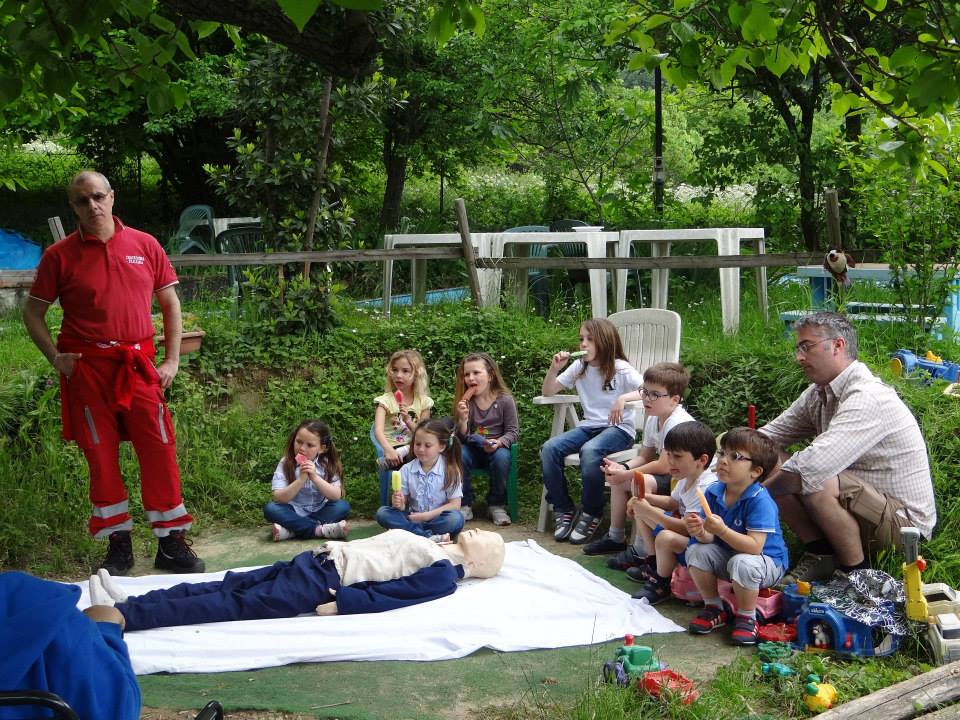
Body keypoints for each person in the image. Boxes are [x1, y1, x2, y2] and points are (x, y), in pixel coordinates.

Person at [22, 171, 204, 576]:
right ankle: (119, 544)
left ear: (112, 197)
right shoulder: (59, 256)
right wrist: (56, 358)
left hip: (138, 366)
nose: (92, 206)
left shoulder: (144, 244)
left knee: (159, 448)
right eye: (82, 201)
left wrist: (171, 360)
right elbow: (32, 312)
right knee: (100, 454)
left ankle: (171, 543)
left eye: (98, 197)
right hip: (87, 371)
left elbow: (170, 305)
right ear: (73, 207)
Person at [758, 312, 936, 583]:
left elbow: (813, 466)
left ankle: (855, 576)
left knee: (817, 479)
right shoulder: (818, 393)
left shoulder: (867, 398)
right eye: (798, 348)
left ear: (838, 346)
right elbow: (765, 439)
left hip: (904, 528)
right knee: (768, 459)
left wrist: (750, 496)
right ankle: (821, 555)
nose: (799, 357)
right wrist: (719, 467)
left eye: (806, 347)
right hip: (859, 511)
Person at [86, 528, 505, 630]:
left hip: (323, 583)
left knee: (233, 604)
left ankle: (127, 618)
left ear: (482, 560)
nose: (480, 532)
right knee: (230, 582)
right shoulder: (438, 546)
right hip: (317, 560)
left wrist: (346, 602)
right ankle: (132, 600)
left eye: (488, 539)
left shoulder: (443, 575)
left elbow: (397, 593)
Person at [540, 318, 643, 545]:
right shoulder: (579, 366)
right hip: (589, 426)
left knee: (590, 451)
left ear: (604, 342)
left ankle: (591, 512)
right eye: (581, 339)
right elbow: (548, 391)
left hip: (618, 429)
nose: (583, 344)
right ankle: (564, 509)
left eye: (590, 339)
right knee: (549, 449)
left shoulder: (621, 368)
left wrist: (623, 398)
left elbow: (648, 390)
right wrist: (554, 368)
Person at [684, 428, 788, 646]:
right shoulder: (714, 491)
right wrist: (700, 531)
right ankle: (714, 607)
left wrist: (722, 530)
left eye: (735, 457)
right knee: (695, 550)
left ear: (755, 471)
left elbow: (754, 547)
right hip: (731, 559)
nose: (723, 461)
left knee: (743, 562)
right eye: (723, 453)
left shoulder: (760, 500)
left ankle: (747, 617)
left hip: (765, 564)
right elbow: (708, 540)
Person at [590, 362, 695, 562]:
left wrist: (629, 474)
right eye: (645, 392)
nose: (647, 398)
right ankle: (615, 536)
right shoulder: (654, 418)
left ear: (674, 400)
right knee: (620, 478)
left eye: (655, 394)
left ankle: (641, 551)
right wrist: (623, 468)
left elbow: (664, 465)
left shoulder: (676, 422)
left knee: (641, 481)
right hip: (671, 476)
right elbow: (645, 456)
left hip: (684, 480)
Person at [0, 571, 140, 720]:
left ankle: (125, 603)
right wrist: (107, 630)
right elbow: (118, 708)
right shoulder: (38, 604)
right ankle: (124, 605)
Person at [627, 421, 718, 604]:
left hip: (700, 545)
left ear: (702, 460)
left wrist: (650, 510)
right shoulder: (686, 477)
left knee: (665, 537)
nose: (670, 461)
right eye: (668, 454)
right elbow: (672, 502)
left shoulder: (705, 486)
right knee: (642, 510)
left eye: (677, 456)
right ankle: (653, 563)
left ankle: (662, 583)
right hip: (687, 535)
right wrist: (644, 499)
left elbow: (687, 529)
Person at [452, 352, 519, 526]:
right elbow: (462, 437)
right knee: (460, 453)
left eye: (476, 373)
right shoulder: (466, 402)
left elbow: (513, 432)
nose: (470, 378)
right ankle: (464, 503)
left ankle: (496, 505)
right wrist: (463, 419)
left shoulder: (505, 400)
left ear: (490, 375)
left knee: (502, 458)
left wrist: (499, 442)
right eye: (467, 374)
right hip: (473, 448)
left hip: (496, 448)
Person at [375, 419, 465, 540]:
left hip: (437, 518)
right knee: (383, 513)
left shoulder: (451, 471)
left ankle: (411, 534)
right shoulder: (406, 470)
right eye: (417, 444)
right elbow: (403, 505)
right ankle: (428, 537)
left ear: (442, 446)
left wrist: (425, 517)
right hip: (412, 517)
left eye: (427, 445)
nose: (421, 449)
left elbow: (455, 505)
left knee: (455, 518)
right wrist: (399, 503)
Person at [263, 419, 350, 542]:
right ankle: (319, 530)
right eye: (299, 442)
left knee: (342, 506)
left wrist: (314, 477)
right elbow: (279, 497)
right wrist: (301, 479)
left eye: (310, 445)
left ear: (322, 448)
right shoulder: (286, 463)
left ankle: (292, 531)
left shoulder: (328, 464)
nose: (302, 448)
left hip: (321, 510)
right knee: (271, 509)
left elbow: (336, 496)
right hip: (293, 510)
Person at [371, 349, 434, 506]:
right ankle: (400, 502)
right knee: (416, 458)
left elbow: (423, 433)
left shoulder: (424, 402)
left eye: (405, 371)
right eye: (395, 370)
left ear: (416, 375)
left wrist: (408, 420)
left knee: (429, 451)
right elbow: (378, 430)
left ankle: (424, 501)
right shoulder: (385, 401)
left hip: (416, 445)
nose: (399, 375)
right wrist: (387, 449)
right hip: (393, 445)